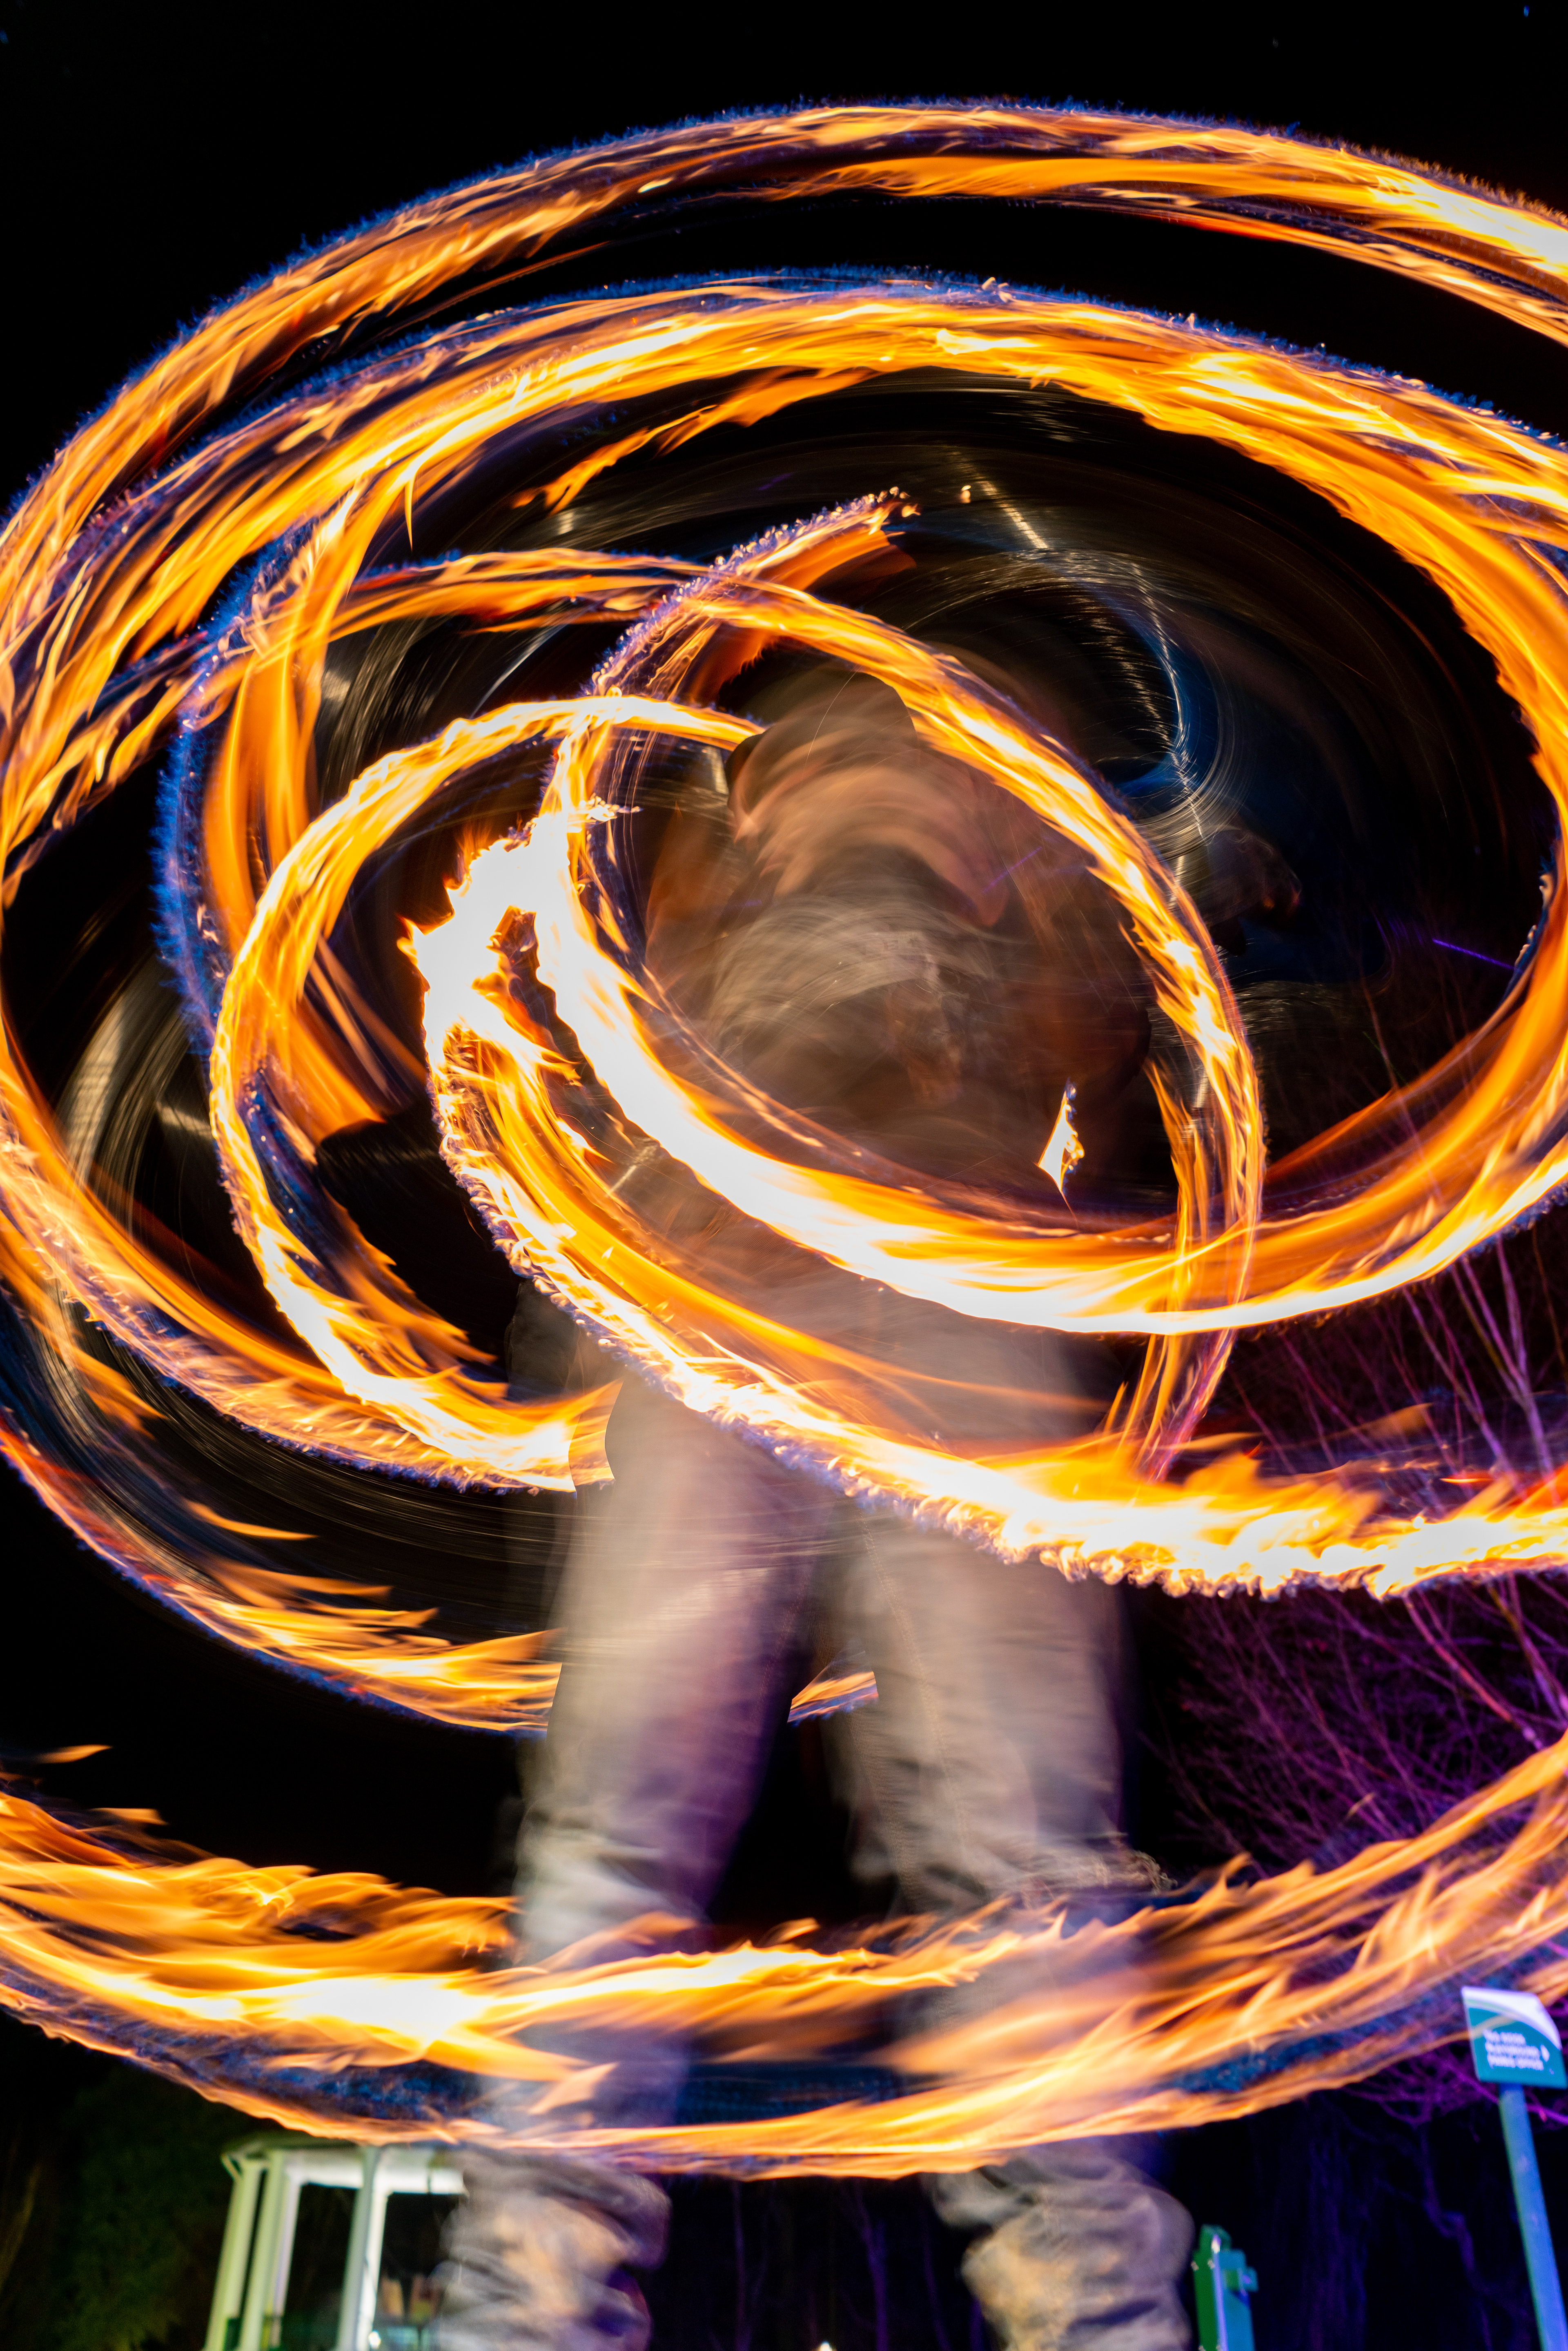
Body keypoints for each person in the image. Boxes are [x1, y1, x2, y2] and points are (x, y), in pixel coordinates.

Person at [438, 673, 1196, 2351]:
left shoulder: (1013, 933)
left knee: (1019, 1865)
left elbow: (1125, 1058)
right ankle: (523, 2317)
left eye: (913, 767)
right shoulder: (701, 925)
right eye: (828, 761)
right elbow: (593, 1098)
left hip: (937, 1325)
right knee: (618, 1841)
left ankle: (1100, 2318)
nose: (875, 788)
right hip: (729, 1313)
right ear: (764, 807)